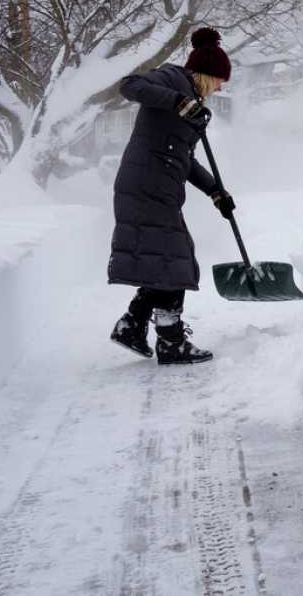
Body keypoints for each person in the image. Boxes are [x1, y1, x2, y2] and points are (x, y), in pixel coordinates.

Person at [108, 27, 237, 365]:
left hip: (158, 186)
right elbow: (130, 85)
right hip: (145, 184)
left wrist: (216, 192)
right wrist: (178, 102)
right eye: (221, 79)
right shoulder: (172, 79)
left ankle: (133, 325)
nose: (223, 87)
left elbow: (186, 160)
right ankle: (170, 340)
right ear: (208, 75)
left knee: (167, 257)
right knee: (175, 258)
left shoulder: (194, 106)